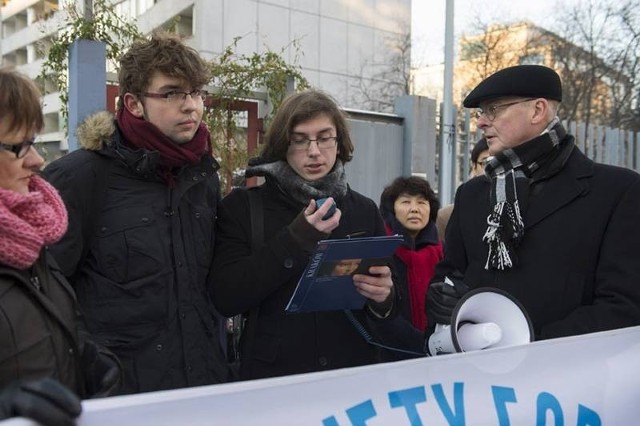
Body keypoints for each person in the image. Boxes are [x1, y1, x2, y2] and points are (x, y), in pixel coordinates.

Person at [43, 32, 229, 394]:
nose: (191, 105)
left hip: (201, 387)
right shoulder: (81, 177)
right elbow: (46, 293)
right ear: (133, 103)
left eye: (195, 93)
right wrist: (93, 368)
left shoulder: (202, 176)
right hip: (120, 395)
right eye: (172, 93)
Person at [426, 65, 640, 343]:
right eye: (480, 113)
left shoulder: (617, 191)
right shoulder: (472, 194)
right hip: (479, 372)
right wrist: (441, 301)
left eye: (493, 110)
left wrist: (529, 350)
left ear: (537, 111)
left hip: (568, 376)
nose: (480, 123)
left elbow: (624, 307)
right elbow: (450, 273)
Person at [210, 89, 395, 380]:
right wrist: (295, 240)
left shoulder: (363, 209)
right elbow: (226, 297)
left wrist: (383, 298)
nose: (313, 151)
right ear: (283, 144)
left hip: (350, 375)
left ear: (339, 141)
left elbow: (390, 309)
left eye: (324, 138)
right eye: (299, 140)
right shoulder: (244, 208)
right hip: (274, 381)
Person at [0, 68, 120, 426]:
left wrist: (90, 360)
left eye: (33, 143)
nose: (37, 160)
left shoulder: (28, 241)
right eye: (18, 147)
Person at [375, 176, 443, 359]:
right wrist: (419, 343)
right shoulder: (380, 250)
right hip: (390, 355)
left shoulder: (442, 252)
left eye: (422, 202)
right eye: (406, 202)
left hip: (439, 351)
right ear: (392, 209)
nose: (415, 209)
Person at [435, 137, 489, 241]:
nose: (492, 168)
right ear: (474, 166)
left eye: (498, 162)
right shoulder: (446, 216)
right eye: (485, 163)